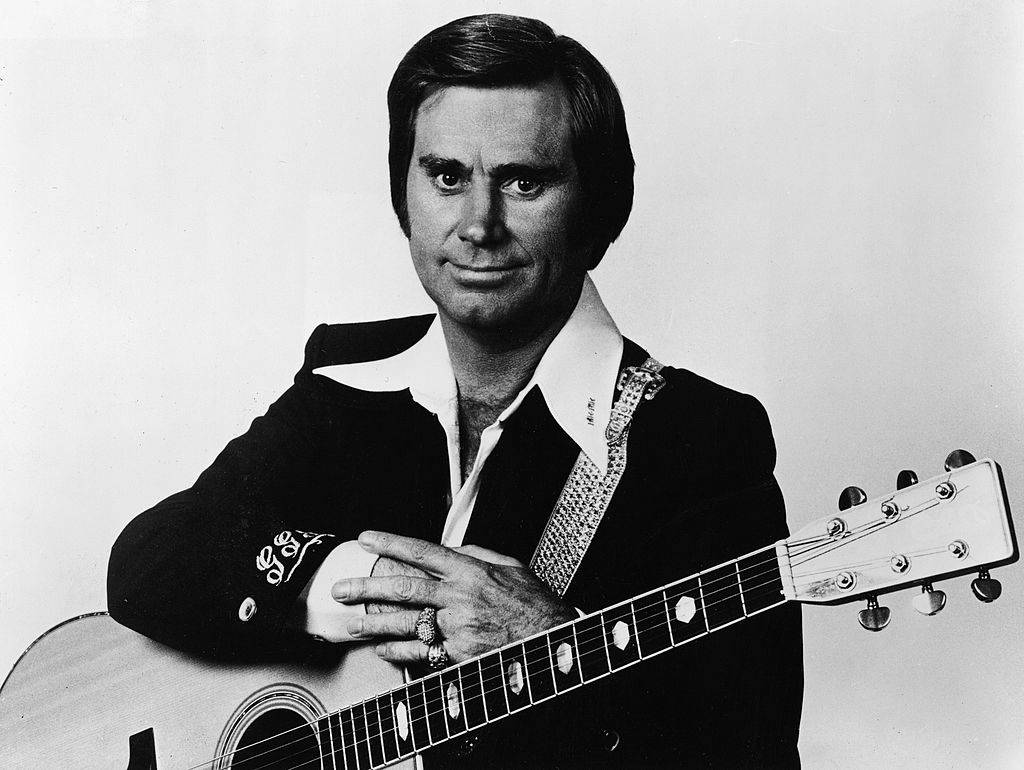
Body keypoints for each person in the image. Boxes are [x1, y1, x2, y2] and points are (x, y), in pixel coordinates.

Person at [108, 13, 803, 768]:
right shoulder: (347, 376)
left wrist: (554, 646)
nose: (478, 225)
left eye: (524, 181)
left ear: (599, 209)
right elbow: (149, 561)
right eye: (447, 177)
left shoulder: (703, 442)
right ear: (402, 197)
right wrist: (366, 587)